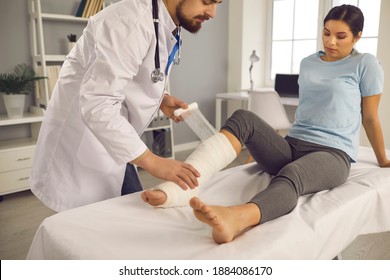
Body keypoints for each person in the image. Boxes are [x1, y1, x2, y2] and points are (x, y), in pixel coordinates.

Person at [141, 4, 389, 244]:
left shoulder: (366, 64)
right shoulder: (308, 62)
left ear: (357, 37)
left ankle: (236, 219)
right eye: (326, 33)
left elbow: (369, 117)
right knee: (242, 118)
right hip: (292, 145)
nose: (330, 41)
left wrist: (383, 159)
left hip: (332, 154)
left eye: (340, 36)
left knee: (292, 173)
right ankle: (183, 186)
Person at [30, 0, 223, 212]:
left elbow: (133, 73)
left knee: (133, 214)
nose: (213, 13)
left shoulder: (162, 22)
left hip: (114, 141)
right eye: (208, 1)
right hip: (82, 141)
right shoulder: (130, 21)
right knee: (93, 225)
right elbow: (97, 103)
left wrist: (162, 98)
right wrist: (153, 161)